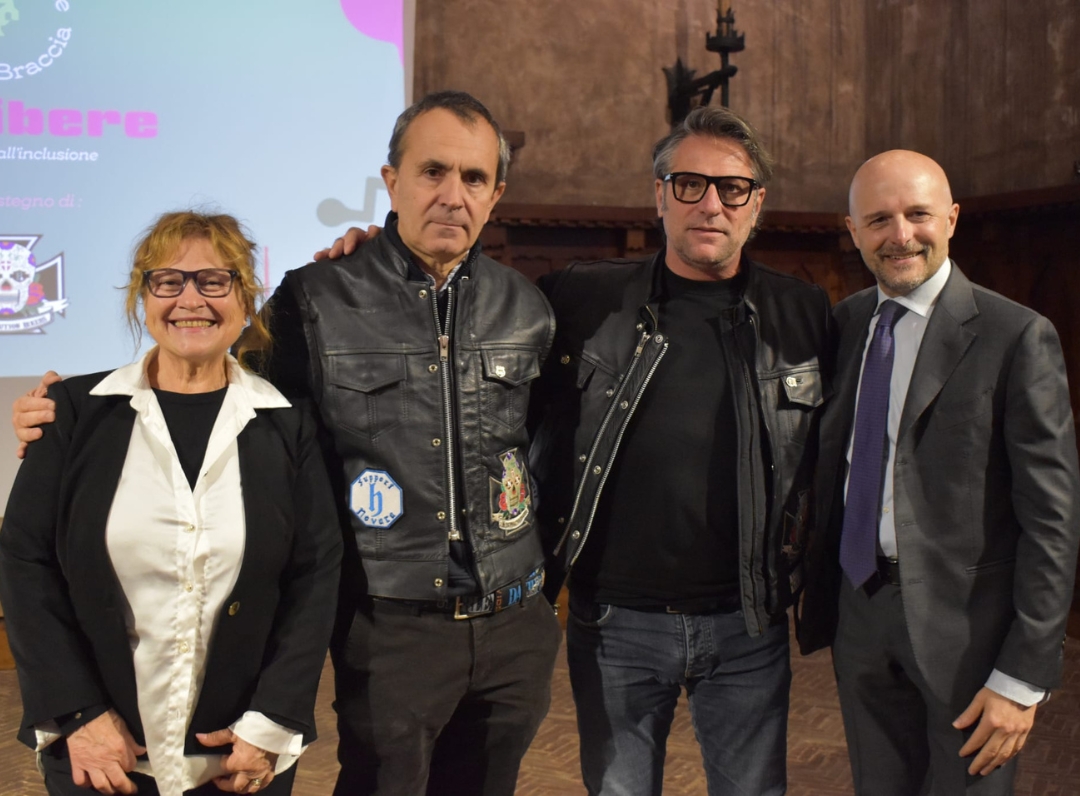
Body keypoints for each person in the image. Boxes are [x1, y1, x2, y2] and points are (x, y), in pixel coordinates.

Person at [13, 92, 561, 796]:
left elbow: (549, 449)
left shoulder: (530, 306)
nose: (452, 194)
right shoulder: (316, 299)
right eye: (432, 171)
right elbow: (212, 383)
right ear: (392, 181)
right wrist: (62, 417)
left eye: (474, 177)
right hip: (392, 625)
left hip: (516, 624)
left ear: (496, 195)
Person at [526, 107, 831, 795]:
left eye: (733, 188)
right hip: (615, 623)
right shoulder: (580, 297)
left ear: (757, 204)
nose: (711, 205)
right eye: (690, 184)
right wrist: (379, 253)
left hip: (747, 624)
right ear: (659, 195)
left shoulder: (804, 314)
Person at [0, 211, 342, 796]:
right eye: (168, 281)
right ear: (143, 297)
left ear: (244, 298)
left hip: (238, 757)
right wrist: (75, 713)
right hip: (101, 758)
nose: (191, 299)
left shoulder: (289, 424)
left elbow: (315, 576)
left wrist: (273, 722)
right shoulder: (73, 411)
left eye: (214, 280)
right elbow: (25, 561)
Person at [799, 150, 1080, 795]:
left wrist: (1023, 675)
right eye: (879, 220)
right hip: (859, 607)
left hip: (970, 631)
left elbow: (1053, 521)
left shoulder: (1016, 335)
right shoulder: (843, 326)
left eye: (918, 214)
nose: (900, 235)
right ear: (853, 232)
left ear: (951, 219)